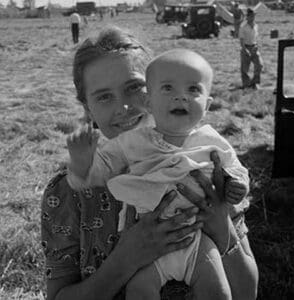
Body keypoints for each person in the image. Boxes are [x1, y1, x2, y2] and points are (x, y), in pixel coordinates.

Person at [41, 26, 258, 300]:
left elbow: (247, 292)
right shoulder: (66, 194)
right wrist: (125, 260)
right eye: (104, 96)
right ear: (87, 108)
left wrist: (221, 225)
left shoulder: (203, 166)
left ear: (155, 91)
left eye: (134, 88)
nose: (124, 108)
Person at [239, 8, 263, 90]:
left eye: (254, 16)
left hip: (254, 47)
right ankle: (246, 84)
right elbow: (241, 39)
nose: (253, 18)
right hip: (246, 47)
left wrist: (256, 46)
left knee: (259, 65)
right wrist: (244, 49)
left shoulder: (256, 26)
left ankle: (255, 83)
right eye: (251, 16)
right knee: (244, 68)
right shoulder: (243, 26)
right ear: (247, 17)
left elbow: (256, 37)